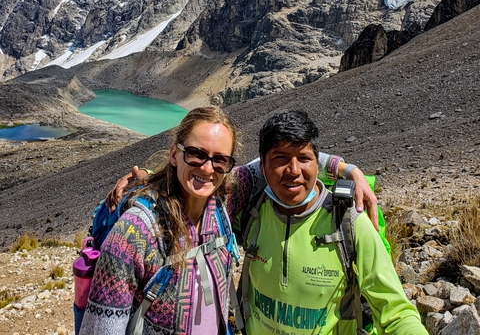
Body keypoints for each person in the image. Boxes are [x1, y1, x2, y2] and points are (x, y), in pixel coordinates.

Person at [80, 106, 376, 334]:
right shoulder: (133, 233)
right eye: (196, 154)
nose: (208, 169)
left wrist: (349, 170)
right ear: (174, 154)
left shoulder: (225, 198)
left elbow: (287, 158)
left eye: (220, 160)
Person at [238, 110, 428, 335]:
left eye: (304, 158)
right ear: (262, 166)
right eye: (280, 158)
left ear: (316, 164)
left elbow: (396, 313)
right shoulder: (251, 212)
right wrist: (349, 169)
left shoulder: (350, 223)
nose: (294, 171)